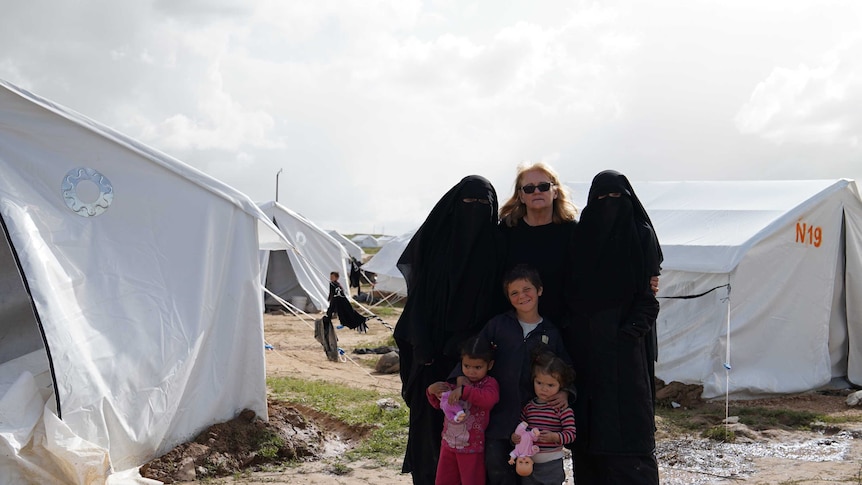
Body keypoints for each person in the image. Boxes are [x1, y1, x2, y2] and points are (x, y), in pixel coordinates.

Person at [394, 175, 508, 485]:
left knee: (473, 443)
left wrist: (469, 355)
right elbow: (417, 302)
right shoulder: (437, 245)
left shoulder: (497, 247)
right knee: (430, 436)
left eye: (483, 205)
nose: (474, 210)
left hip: (476, 364)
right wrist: (423, 347)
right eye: (468, 203)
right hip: (430, 356)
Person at [563, 170, 663, 485]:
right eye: (602, 198)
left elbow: (648, 299)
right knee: (589, 435)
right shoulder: (580, 236)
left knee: (630, 430)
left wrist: (627, 334)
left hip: (626, 353)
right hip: (583, 348)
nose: (609, 204)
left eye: (616, 198)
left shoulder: (641, 234)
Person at [459, 264, 572, 485]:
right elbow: (475, 354)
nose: (522, 296)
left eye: (527, 289)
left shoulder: (550, 332)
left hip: (535, 422)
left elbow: (566, 367)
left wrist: (567, 392)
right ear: (508, 298)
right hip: (498, 417)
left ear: (539, 290)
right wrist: (460, 378)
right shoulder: (498, 326)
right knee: (497, 469)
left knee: (534, 476)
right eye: (514, 292)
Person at [499, 162, 579, 326]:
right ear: (521, 196)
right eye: (529, 188)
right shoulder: (506, 231)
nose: (536, 191)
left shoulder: (573, 231)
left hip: (564, 325)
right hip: (515, 327)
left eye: (543, 186)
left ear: (555, 191)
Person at [427, 336, 500, 485]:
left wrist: (465, 391)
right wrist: (431, 391)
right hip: (448, 445)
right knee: (444, 481)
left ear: (490, 365)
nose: (471, 372)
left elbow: (489, 400)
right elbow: (440, 405)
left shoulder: (488, 384)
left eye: (477, 367)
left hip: (472, 449)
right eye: (467, 366)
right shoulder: (454, 384)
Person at [512, 351, 577, 484]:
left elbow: (571, 434)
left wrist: (555, 437)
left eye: (550, 385)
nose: (544, 389)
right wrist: (515, 437)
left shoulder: (562, 408)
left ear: (561, 385)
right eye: (539, 383)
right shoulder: (529, 407)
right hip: (528, 464)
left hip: (551, 465)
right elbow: (521, 428)